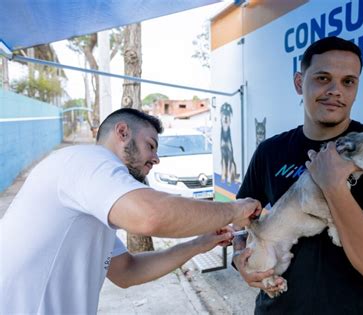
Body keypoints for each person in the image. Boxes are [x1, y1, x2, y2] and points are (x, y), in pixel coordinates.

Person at [0, 108, 262, 314]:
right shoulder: (87, 161)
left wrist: (199, 244)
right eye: (150, 145)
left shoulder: (91, 196)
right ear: (123, 132)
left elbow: (126, 271)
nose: (156, 159)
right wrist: (235, 209)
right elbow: (150, 215)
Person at [232, 36, 363, 314]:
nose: (335, 91)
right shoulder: (270, 151)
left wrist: (333, 185)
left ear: (356, 88)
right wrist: (240, 258)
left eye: (348, 82)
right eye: (322, 78)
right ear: (299, 83)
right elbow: (238, 222)